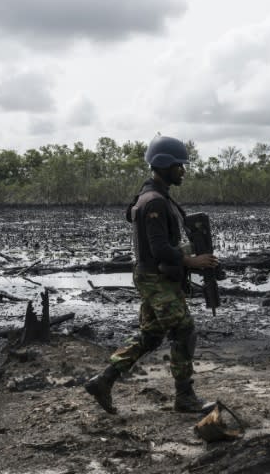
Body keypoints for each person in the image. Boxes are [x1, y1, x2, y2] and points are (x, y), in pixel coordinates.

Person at [85, 135, 219, 414]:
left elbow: (156, 245)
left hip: (150, 277)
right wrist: (192, 260)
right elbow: (159, 249)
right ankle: (184, 397)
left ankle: (104, 381)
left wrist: (188, 251)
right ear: (163, 164)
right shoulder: (155, 202)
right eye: (179, 165)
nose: (183, 170)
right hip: (155, 279)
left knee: (151, 336)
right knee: (183, 331)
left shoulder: (151, 197)